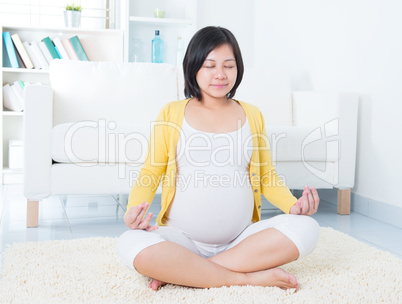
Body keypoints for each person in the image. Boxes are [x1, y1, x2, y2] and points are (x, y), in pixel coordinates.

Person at [117, 26, 320, 291]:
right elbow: (150, 172)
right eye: (210, 65)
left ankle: (186, 271)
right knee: (128, 244)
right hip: (181, 238)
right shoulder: (171, 113)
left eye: (229, 65)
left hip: (242, 240)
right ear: (193, 68)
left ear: (239, 69)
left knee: (308, 228)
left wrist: (293, 206)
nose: (220, 75)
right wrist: (134, 211)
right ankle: (244, 277)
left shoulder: (252, 114)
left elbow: (267, 176)